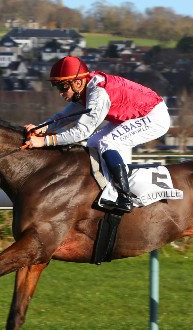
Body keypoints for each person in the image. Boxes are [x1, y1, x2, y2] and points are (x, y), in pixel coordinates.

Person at [24, 56, 170, 213]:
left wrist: (44, 141)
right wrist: (41, 128)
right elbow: (64, 117)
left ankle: (124, 196)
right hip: (134, 115)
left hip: (153, 116)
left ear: (77, 83)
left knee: (108, 142)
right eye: (57, 87)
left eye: (62, 87)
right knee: (93, 143)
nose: (60, 93)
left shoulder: (98, 94)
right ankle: (105, 187)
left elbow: (80, 132)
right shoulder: (84, 89)